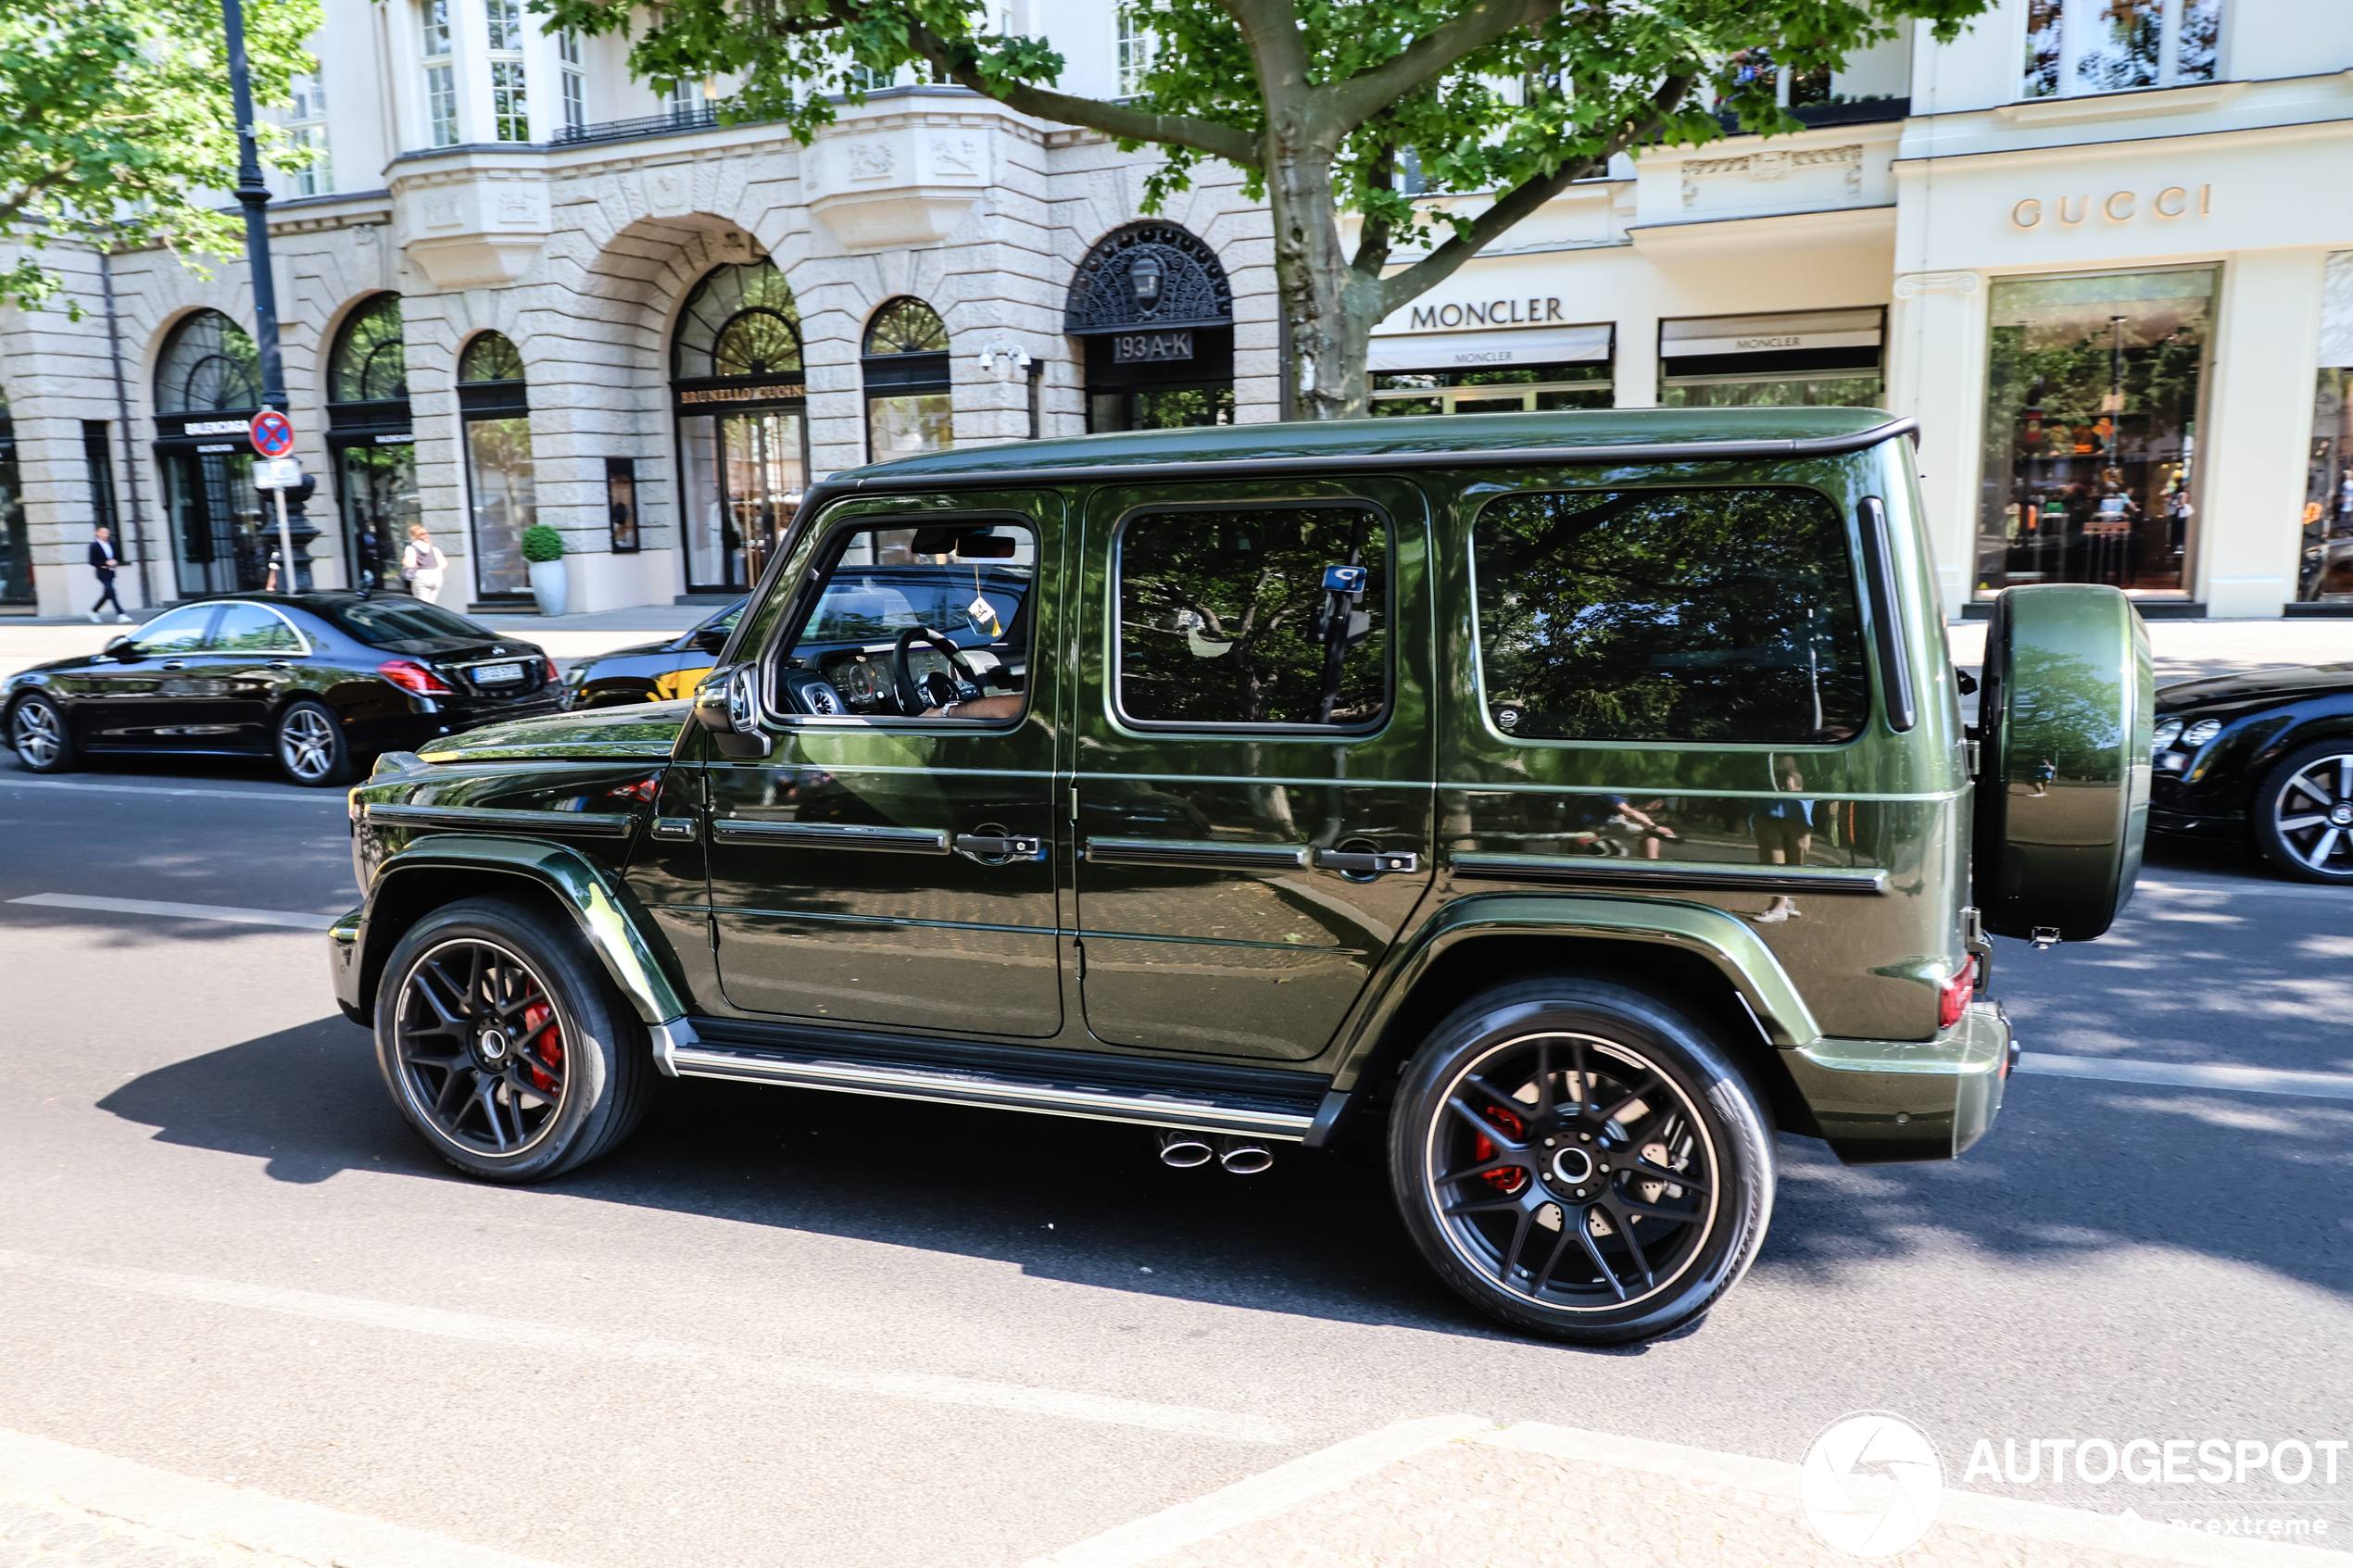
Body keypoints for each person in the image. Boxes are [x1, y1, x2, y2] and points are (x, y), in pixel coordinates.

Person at [1750, 765, 1815, 923]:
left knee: (1793, 861)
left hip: (1797, 807)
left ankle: (1783, 903)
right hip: (1773, 808)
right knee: (1775, 859)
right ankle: (1780, 904)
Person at [86, 527, 130, 623]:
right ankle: (121, 614)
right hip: (102, 572)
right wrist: (105, 563)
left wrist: (115, 561)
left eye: (107, 533)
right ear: (97, 533)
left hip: (111, 572)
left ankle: (93, 611)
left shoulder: (112, 544)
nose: (106, 535)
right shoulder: (94, 546)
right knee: (112, 592)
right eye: (103, 533)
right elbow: (92, 561)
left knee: (108, 594)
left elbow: (118, 556)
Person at [401, 523, 447, 604]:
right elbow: (443, 563)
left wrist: (404, 562)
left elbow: (410, 564)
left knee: (422, 604)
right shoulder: (433, 548)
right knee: (432, 603)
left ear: (413, 536)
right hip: (436, 576)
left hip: (421, 576)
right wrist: (436, 571)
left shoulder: (412, 548)